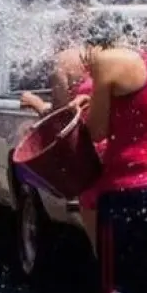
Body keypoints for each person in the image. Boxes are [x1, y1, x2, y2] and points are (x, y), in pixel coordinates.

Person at [68, 15, 147, 293]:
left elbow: (97, 132)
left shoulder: (107, 60)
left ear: (96, 45)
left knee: (117, 287)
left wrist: (86, 102)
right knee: (146, 280)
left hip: (126, 188)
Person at [20, 13, 107, 255]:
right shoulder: (121, 60)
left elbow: (60, 118)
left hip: (91, 160)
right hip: (122, 156)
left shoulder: (63, 62)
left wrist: (34, 102)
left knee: (103, 249)